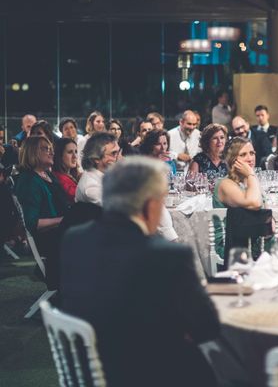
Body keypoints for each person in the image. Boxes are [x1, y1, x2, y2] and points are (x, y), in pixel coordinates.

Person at [60, 157, 220, 387]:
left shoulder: (75, 238)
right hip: (149, 374)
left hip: (87, 368)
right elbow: (206, 327)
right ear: (151, 205)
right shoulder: (167, 255)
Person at [14, 136, 71, 288]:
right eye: (45, 149)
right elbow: (32, 223)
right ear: (32, 152)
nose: (51, 152)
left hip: (62, 232)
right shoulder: (29, 180)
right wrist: (63, 220)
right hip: (50, 239)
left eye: (50, 148)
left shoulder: (48, 175)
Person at [213, 137, 262, 210]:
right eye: (243, 155)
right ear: (232, 159)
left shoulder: (250, 180)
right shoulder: (225, 184)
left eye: (252, 153)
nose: (250, 159)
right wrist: (250, 174)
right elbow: (254, 204)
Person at [75, 132, 119, 205]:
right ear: (96, 158)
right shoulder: (91, 187)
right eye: (114, 153)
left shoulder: (105, 174)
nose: (120, 157)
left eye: (119, 152)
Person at [52, 138, 80, 203]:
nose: (75, 156)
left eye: (76, 152)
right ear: (59, 155)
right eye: (70, 152)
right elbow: (79, 197)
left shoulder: (72, 175)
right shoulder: (60, 179)